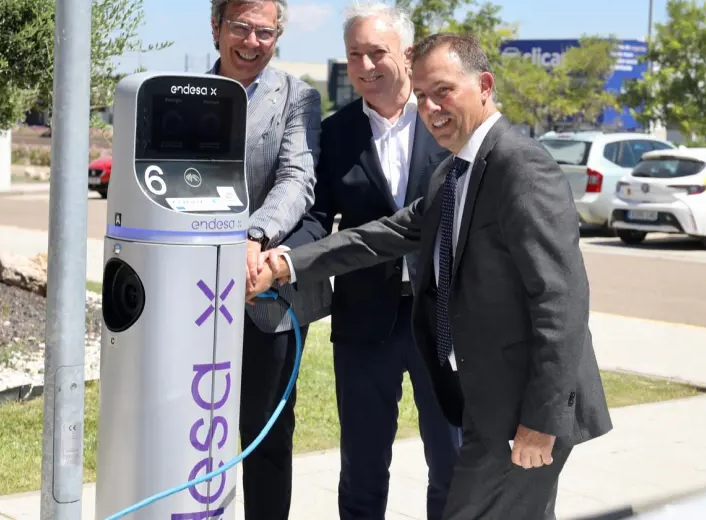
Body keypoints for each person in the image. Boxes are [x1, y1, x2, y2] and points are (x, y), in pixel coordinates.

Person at [253, 33, 612, 519]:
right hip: (487, 408)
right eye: (421, 95)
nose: (430, 106)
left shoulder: (521, 168)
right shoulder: (453, 173)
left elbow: (562, 302)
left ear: (484, 85)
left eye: (443, 90)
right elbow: (378, 236)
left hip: (524, 413)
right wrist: (288, 263)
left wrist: (541, 421)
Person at [299, 1, 459, 520]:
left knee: (453, 463)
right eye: (354, 56)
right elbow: (318, 217)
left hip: (444, 321)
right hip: (365, 324)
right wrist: (283, 255)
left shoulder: (448, 122)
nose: (365, 67)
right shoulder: (336, 132)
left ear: (407, 55)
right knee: (363, 470)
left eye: (377, 53)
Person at [207, 0, 332, 520]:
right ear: (216, 28)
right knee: (193, 431)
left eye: (266, 32)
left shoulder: (298, 98)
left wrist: (255, 237)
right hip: (191, 298)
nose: (252, 43)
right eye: (241, 28)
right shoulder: (180, 93)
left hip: (265, 297)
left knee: (265, 438)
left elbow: (296, 179)